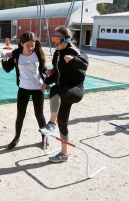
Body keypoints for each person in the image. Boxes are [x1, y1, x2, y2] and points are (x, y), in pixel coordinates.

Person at [39, 26, 89, 162]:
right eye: (53, 38)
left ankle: (51, 123)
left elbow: (84, 64)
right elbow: (57, 73)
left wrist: (73, 60)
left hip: (75, 90)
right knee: (63, 121)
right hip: (64, 90)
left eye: (57, 38)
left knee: (55, 90)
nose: (54, 41)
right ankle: (64, 154)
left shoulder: (73, 51)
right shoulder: (57, 54)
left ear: (66, 40)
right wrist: (47, 81)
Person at [1, 31, 48, 150]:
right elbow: (8, 69)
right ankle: (16, 138)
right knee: (20, 115)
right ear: (21, 44)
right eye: (28, 45)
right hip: (23, 89)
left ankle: (44, 138)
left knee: (39, 115)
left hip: (38, 89)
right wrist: (4, 60)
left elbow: (43, 69)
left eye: (32, 45)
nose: (30, 48)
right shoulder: (16, 54)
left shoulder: (37, 52)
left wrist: (47, 79)